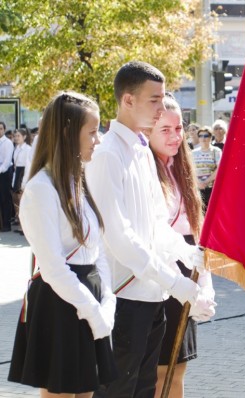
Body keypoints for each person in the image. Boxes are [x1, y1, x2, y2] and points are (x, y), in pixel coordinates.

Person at [86, 61, 207, 397]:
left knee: (143, 388)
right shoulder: (108, 154)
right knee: (117, 390)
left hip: (152, 296)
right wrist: (174, 281)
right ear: (128, 100)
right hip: (124, 297)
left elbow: (155, 221)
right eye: (154, 100)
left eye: (163, 98)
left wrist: (186, 253)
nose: (161, 108)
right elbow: (120, 236)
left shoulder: (140, 150)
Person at [8, 91, 118, 396]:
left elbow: (97, 252)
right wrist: (94, 311)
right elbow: (54, 267)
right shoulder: (41, 188)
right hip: (61, 300)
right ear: (69, 132)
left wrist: (108, 301)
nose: (99, 140)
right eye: (93, 132)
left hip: (88, 295)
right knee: (61, 392)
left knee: (86, 391)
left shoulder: (80, 181)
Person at [147, 94, 216, 398]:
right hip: (158, 269)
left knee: (178, 367)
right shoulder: (143, 168)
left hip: (188, 264)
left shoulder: (182, 167)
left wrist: (205, 281)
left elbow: (196, 230)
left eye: (179, 129)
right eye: (165, 129)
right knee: (158, 371)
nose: (175, 136)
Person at [191, 126, 222, 211]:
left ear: (211, 137)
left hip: (212, 189)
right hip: (197, 188)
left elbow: (219, 169)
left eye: (206, 136)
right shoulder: (193, 153)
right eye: (201, 136)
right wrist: (198, 183)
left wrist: (205, 182)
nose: (203, 138)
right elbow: (190, 170)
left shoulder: (216, 151)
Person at [10, 128, 32, 233]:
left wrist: (24, 180)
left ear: (24, 137)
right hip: (17, 172)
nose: (16, 138)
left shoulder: (28, 149)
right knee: (16, 200)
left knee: (22, 199)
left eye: (18, 136)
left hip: (23, 172)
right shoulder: (16, 148)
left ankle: (25, 228)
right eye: (15, 136)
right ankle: (19, 224)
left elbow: (28, 165)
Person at [0, 121, 14, 232]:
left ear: (4, 130)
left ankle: (6, 224)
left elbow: (6, 161)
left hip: (4, 173)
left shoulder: (7, 143)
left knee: (5, 199)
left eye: (0, 128)